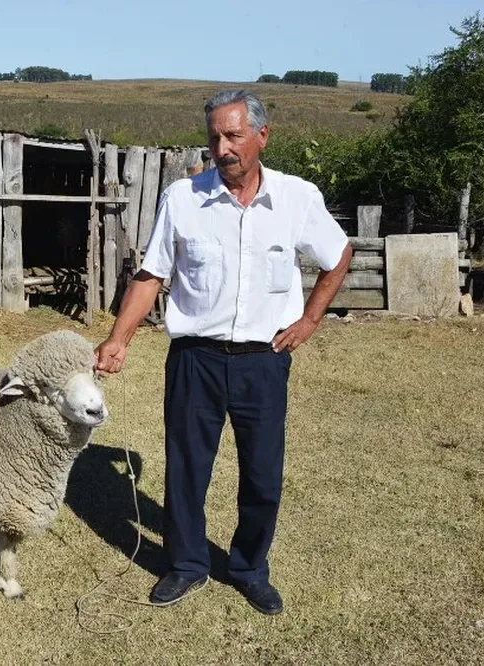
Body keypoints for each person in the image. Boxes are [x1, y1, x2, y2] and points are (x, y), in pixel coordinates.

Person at [94, 89, 353, 615]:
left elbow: (338, 253)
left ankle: (249, 568)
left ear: (262, 135)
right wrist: (118, 338)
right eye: (214, 136)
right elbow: (151, 275)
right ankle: (187, 564)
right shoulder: (183, 198)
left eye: (234, 135)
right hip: (196, 358)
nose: (223, 147)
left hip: (264, 360)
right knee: (187, 468)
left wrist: (308, 320)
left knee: (262, 473)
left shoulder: (297, 198)